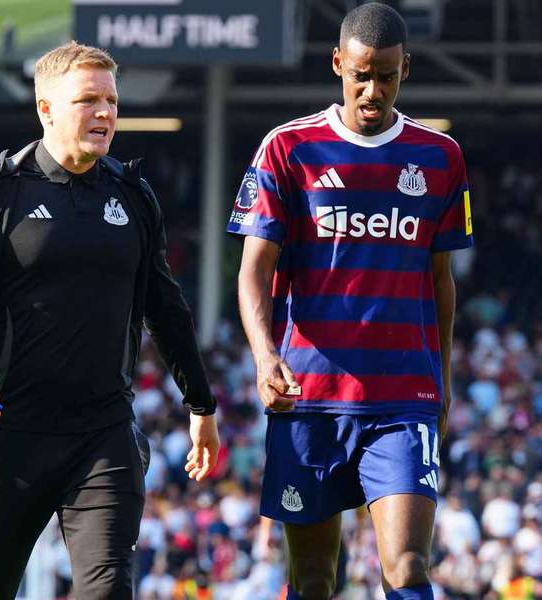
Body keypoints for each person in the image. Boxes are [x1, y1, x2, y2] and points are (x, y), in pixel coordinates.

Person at [0, 40, 219, 599]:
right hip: (9, 434)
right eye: (88, 101)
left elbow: (165, 308)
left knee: (107, 590)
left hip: (102, 435)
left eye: (111, 101)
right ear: (46, 109)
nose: (104, 113)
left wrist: (201, 404)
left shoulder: (134, 195)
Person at [227, 4, 473, 600]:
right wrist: (264, 359)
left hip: (403, 399)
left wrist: (442, 383)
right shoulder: (289, 148)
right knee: (313, 581)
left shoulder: (439, 157)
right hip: (308, 399)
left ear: (405, 70)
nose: (373, 89)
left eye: (386, 75)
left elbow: (441, 283)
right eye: (361, 74)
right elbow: (253, 272)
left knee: (408, 568)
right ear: (338, 63)